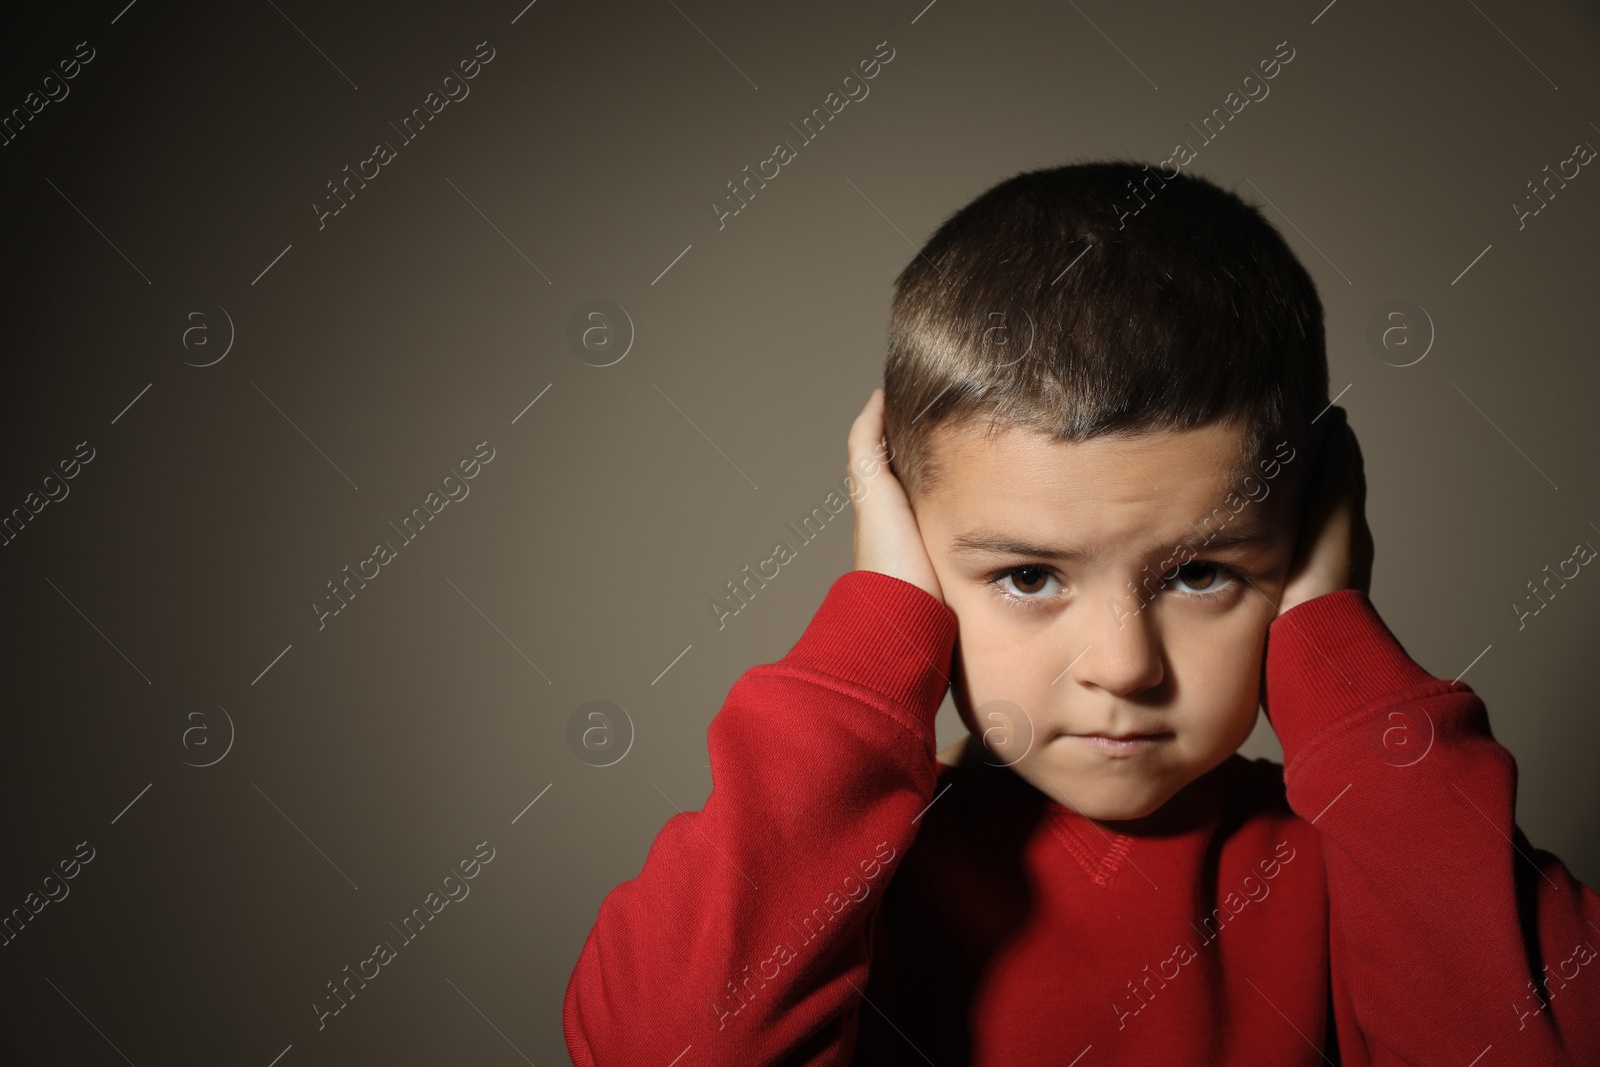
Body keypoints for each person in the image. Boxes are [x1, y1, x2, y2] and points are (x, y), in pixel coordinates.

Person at [563, 162, 1600, 1065]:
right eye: (1026, 576)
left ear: (1307, 537)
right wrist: (875, 627)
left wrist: (1338, 636)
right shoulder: (842, 882)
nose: (1122, 665)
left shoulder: (1364, 863)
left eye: (1199, 573)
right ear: (916, 557)